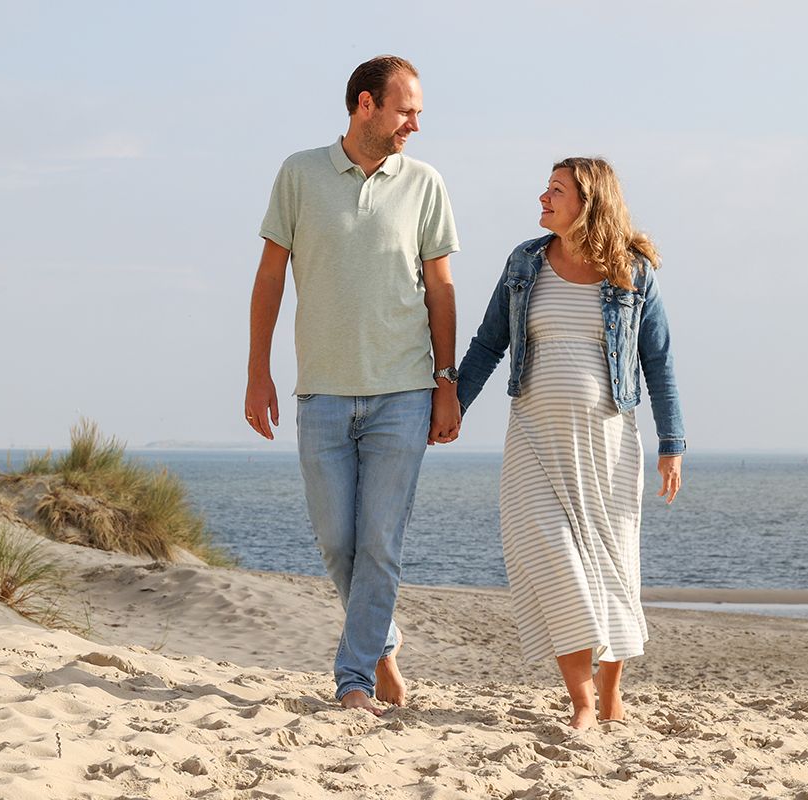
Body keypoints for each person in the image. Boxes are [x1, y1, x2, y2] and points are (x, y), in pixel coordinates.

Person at [244, 55, 461, 716]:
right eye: (406, 111)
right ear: (365, 106)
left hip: (403, 392)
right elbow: (271, 278)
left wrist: (446, 380)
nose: (414, 125)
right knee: (339, 543)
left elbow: (440, 288)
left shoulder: (424, 184)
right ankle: (382, 649)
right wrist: (258, 370)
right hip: (323, 394)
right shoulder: (299, 174)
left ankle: (353, 678)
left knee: (380, 545)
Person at [456, 157, 685, 730]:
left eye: (556, 190)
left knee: (613, 572)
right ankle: (582, 701)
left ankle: (611, 699)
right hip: (533, 439)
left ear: (589, 201)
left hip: (608, 446)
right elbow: (489, 344)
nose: (543, 196)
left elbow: (658, 361)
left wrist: (672, 443)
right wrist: (451, 408)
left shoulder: (633, 271)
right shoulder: (524, 264)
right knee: (552, 562)